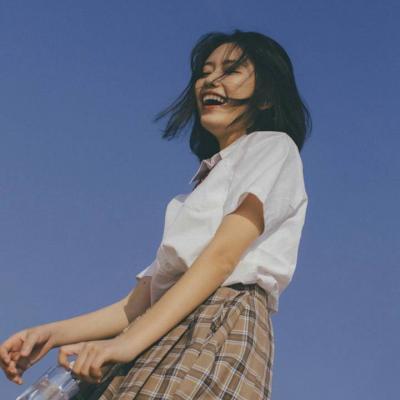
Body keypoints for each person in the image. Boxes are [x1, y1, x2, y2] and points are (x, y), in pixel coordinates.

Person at [0, 29, 311, 399]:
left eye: (230, 71)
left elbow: (222, 257)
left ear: (267, 97)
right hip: (162, 326)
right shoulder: (193, 193)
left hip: (218, 322)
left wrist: (126, 344)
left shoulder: (272, 147)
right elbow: (138, 303)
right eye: (205, 72)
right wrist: (50, 334)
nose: (210, 80)